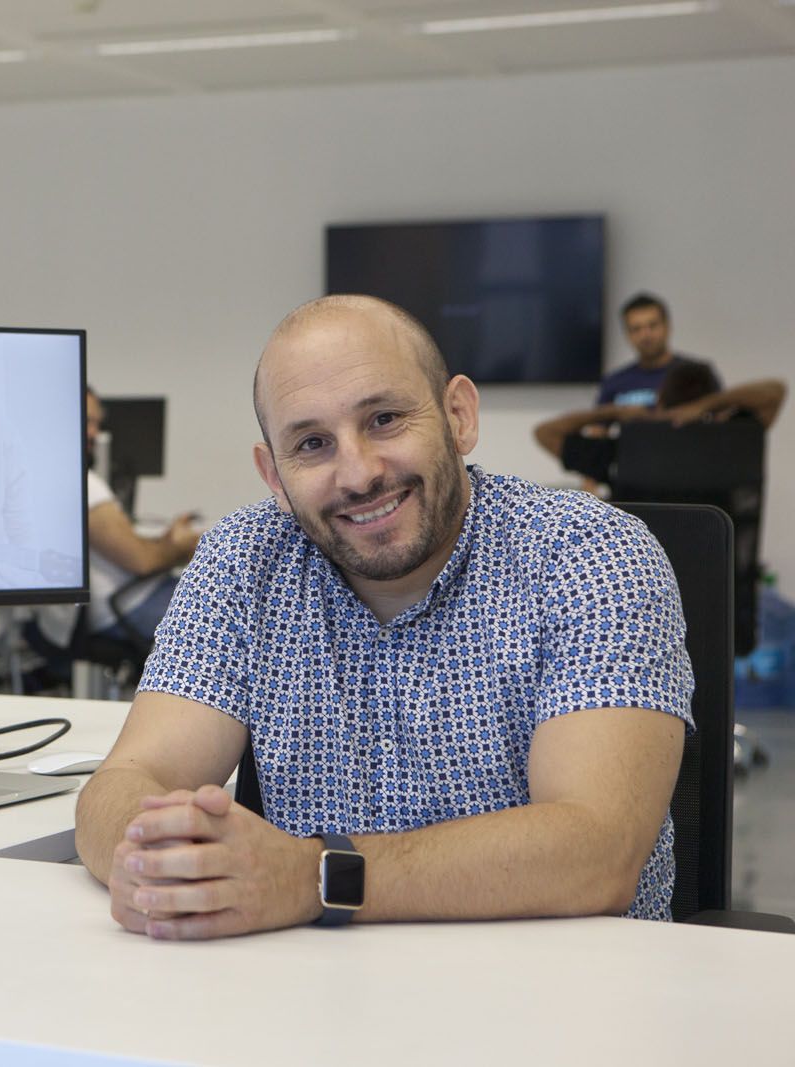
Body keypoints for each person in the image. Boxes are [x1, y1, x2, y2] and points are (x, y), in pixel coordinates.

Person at [74, 294, 692, 940]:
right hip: (313, 989)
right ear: (274, 476)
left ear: (459, 416)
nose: (359, 473)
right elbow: (122, 785)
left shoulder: (590, 553)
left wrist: (314, 877)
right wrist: (155, 859)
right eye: (312, 443)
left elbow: (597, 851)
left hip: (563, 986)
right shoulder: (243, 561)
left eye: (385, 419)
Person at [34, 387, 201, 654]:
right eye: (87, 422)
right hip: (127, 606)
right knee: (230, 617)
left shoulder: (47, 478)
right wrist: (186, 546)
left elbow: (130, 550)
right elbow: (142, 561)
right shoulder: (81, 483)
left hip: (116, 603)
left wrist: (167, 542)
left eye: (97, 424)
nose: (94, 433)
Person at [534, 359, 785, 487]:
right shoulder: (735, 444)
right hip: (724, 572)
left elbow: (545, 433)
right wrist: (708, 405)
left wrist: (613, 411)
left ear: (660, 401)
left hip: (646, 570)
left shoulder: (626, 452)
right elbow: (776, 391)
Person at [597, 293, 718, 409]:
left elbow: (720, 418)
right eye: (636, 329)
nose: (645, 335)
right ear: (627, 334)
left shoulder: (698, 376)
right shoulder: (613, 382)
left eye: (653, 325)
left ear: (667, 326)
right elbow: (598, 422)